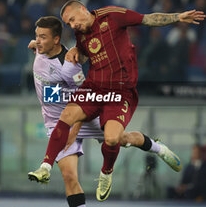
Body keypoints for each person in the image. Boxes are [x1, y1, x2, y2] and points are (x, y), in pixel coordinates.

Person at [29, 0, 205, 201]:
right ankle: (45, 167)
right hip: (94, 88)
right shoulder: (76, 36)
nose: (72, 25)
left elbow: (147, 19)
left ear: (83, 10)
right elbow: (86, 54)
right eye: (68, 24)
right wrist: (77, 52)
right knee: (67, 123)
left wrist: (177, 17)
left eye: (72, 20)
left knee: (115, 139)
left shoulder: (112, 16)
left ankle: (116, 168)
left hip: (119, 92)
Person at [28, 16, 166, 206]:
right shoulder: (39, 47)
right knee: (69, 177)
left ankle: (158, 148)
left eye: (43, 37)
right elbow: (37, 47)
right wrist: (34, 43)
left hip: (75, 118)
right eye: (37, 36)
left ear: (56, 40)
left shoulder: (69, 66)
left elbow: (83, 98)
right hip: (54, 122)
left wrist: (75, 127)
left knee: (120, 139)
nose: (38, 40)